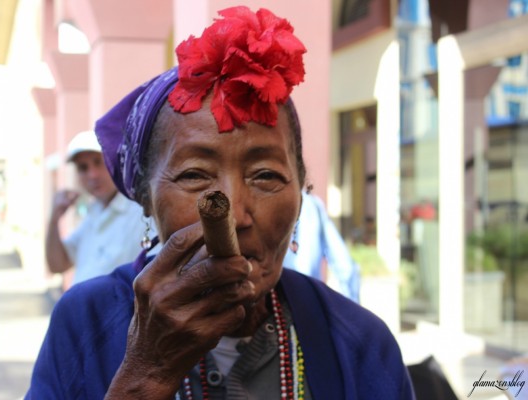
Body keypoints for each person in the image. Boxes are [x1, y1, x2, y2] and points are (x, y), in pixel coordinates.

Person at [27, 6, 414, 399]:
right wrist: (148, 373)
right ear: (145, 199)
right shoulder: (85, 324)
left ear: (301, 195)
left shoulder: (359, 344)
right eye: (194, 175)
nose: (233, 216)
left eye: (265, 176)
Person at [45, 129, 158, 286]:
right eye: (83, 168)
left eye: (99, 162)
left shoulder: (141, 212)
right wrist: (54, 218)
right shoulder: (93, 213)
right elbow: (58, 265)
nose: (92, 175)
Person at [283, 189, 361, 302]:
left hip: (278, 304)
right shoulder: (313, 205)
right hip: (310, 303)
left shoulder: (266, 203)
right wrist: (351, 311)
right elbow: (345, 267)